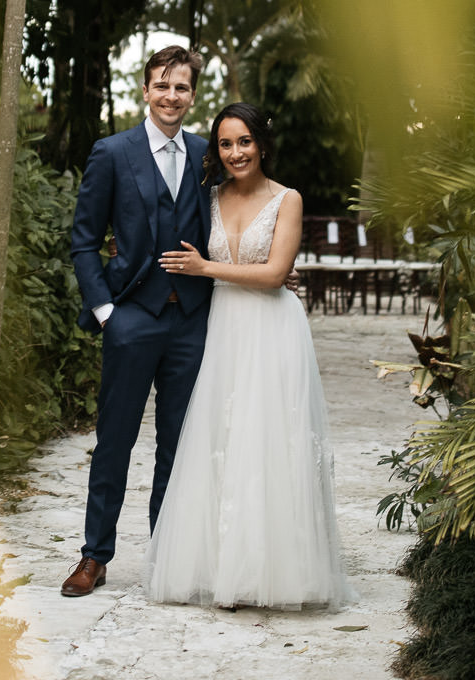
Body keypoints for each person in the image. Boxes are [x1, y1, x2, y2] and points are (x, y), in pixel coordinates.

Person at [146, 102, 352, 609]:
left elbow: (276, 273)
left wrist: (205, 269)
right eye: (225, 143)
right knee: (222, 439)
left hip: (272, 330)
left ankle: (277, 572)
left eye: (244, 142)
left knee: (269, 443)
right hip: (222, 328)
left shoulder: (288, 199)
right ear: (215, 150)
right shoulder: (208, 198)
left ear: (261, 144)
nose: (236, 152)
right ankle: (224, 571)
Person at [60, 46, 214, 597]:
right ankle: (94, 556)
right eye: (162, 86)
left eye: (182, 88)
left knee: (178, 444)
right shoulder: (112, 152)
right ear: (145, 91)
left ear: (193, 96)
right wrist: (106, 312)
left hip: (192, 321)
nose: (172, 96)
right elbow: (82, 240)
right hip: (130, 319)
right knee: (114, 441)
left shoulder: (206, 155)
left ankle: (165, 558)